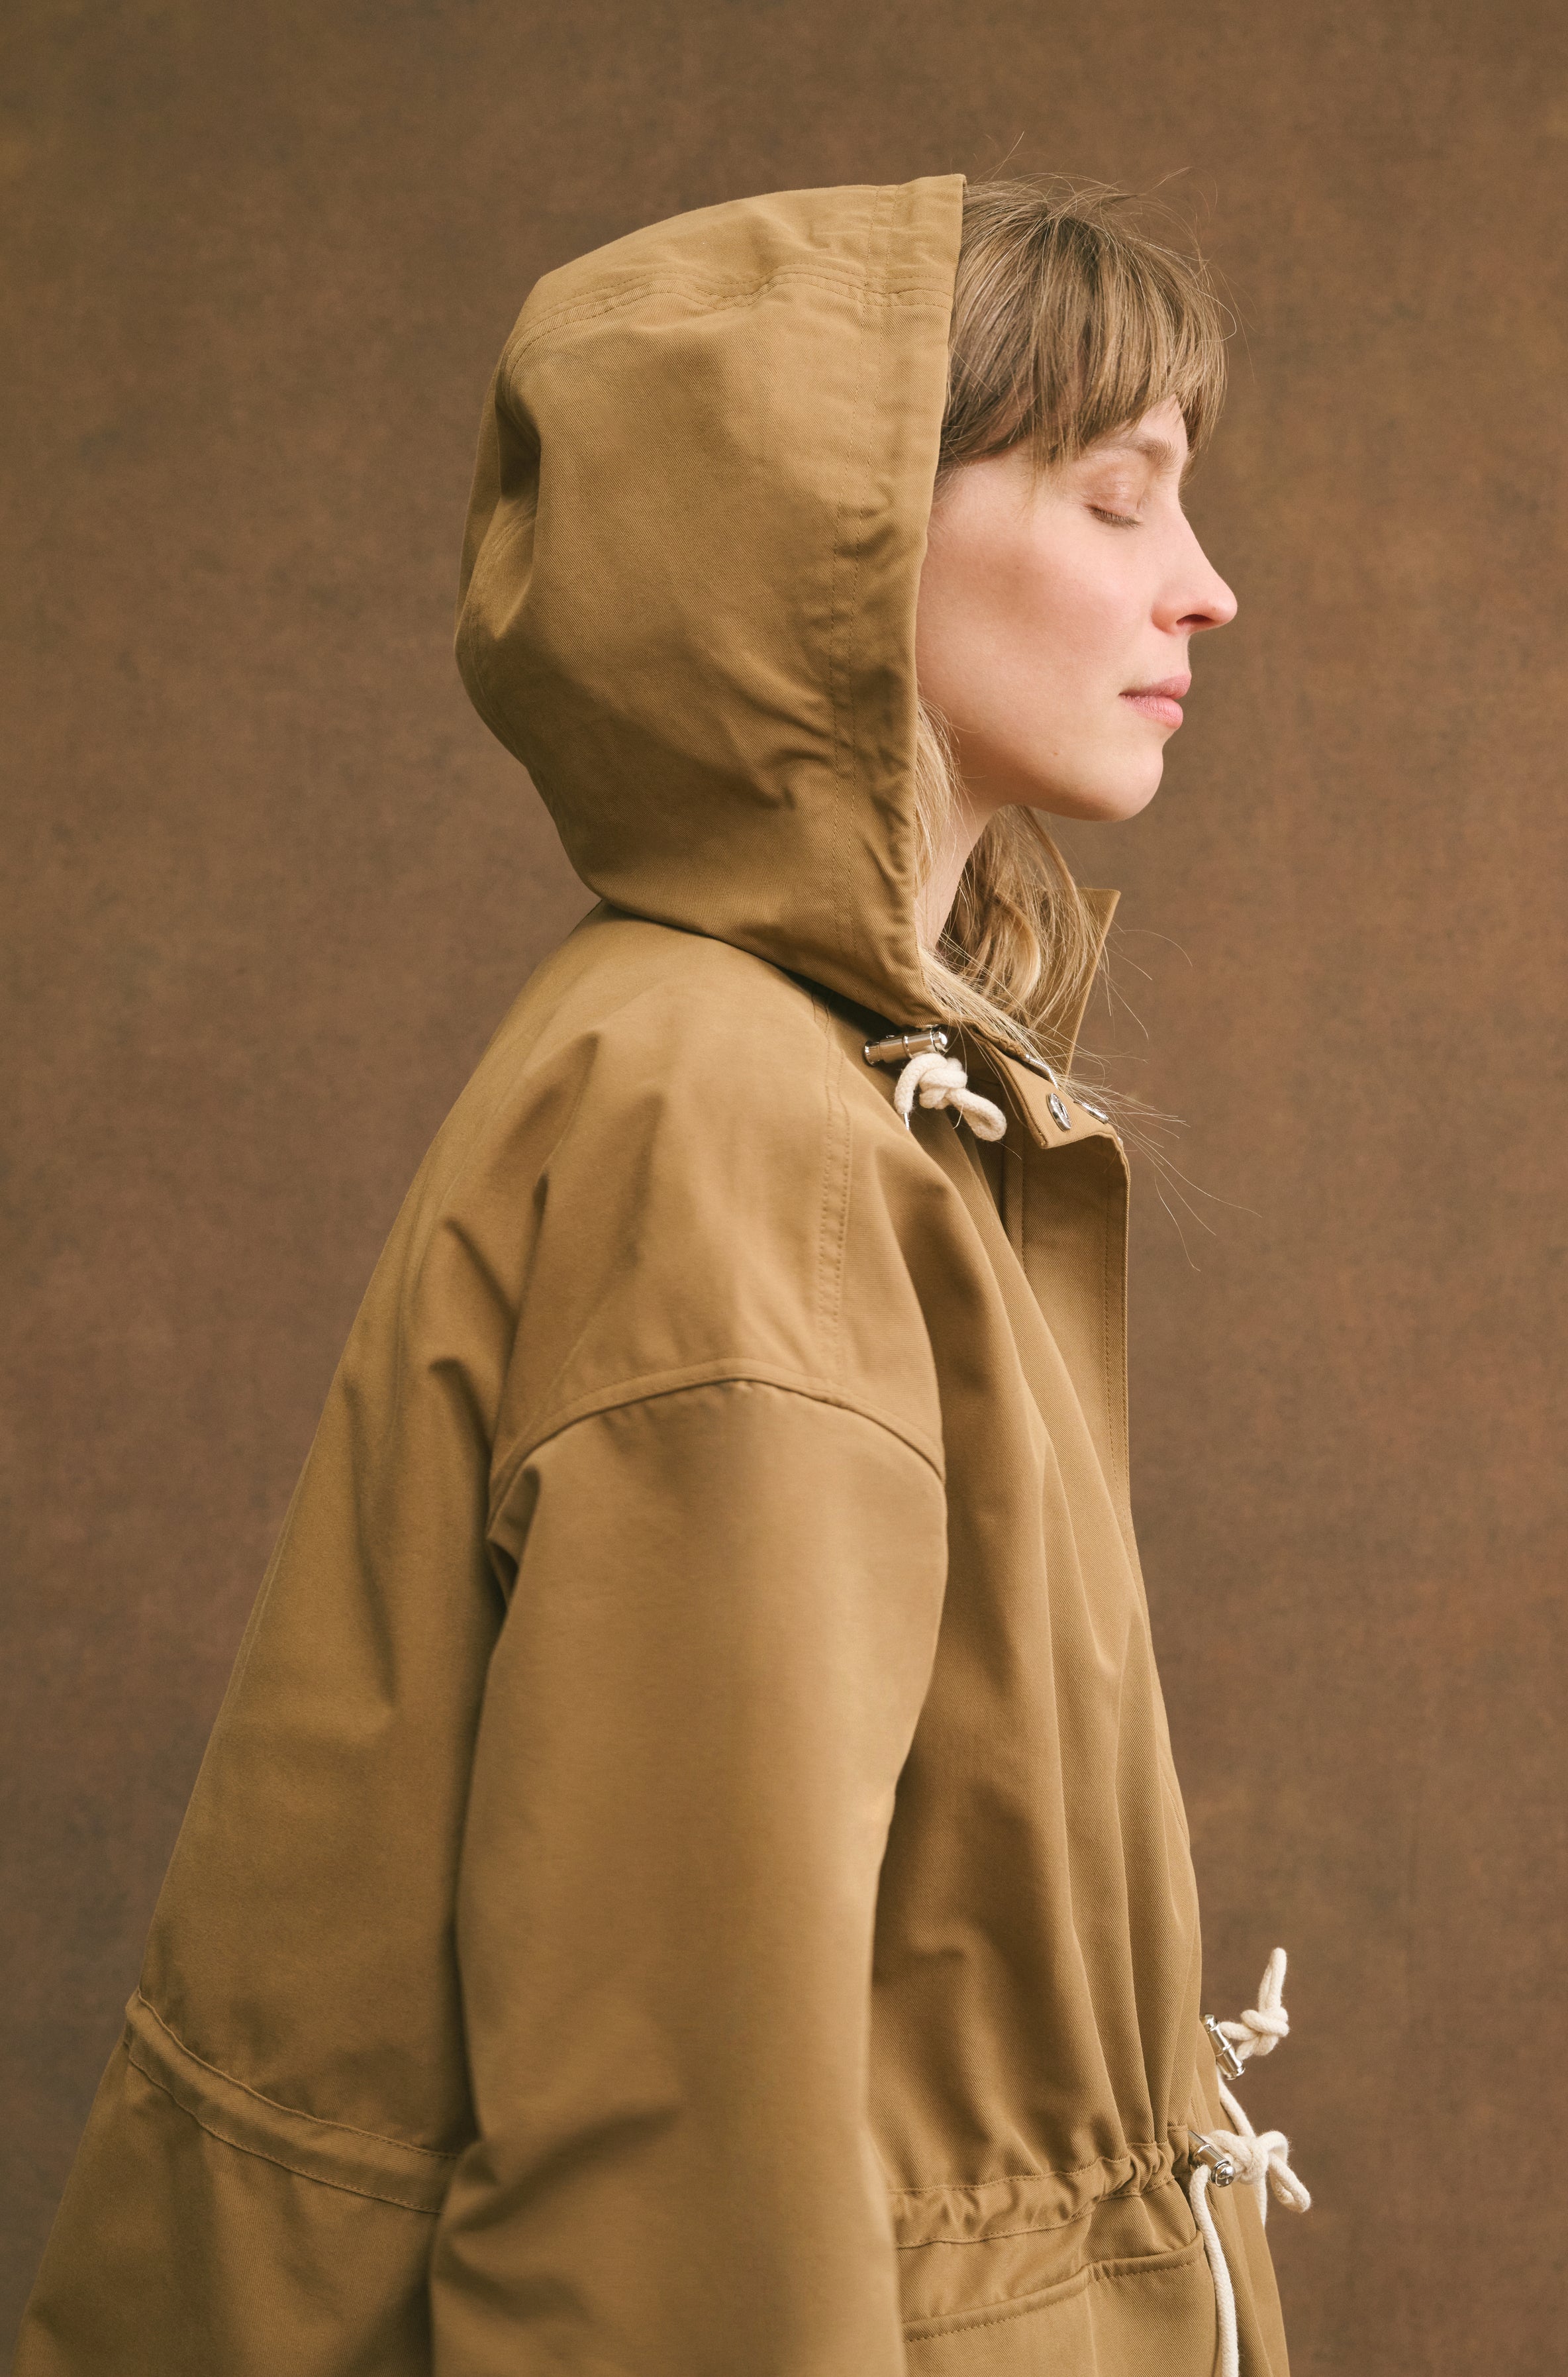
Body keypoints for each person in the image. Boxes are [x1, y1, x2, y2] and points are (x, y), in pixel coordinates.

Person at [13, 172, 1304, 2377]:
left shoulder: (791, 1072)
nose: (1203, 584)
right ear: (835, 545)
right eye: (1114, 497)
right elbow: (675, 2141)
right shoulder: (737, 1125)